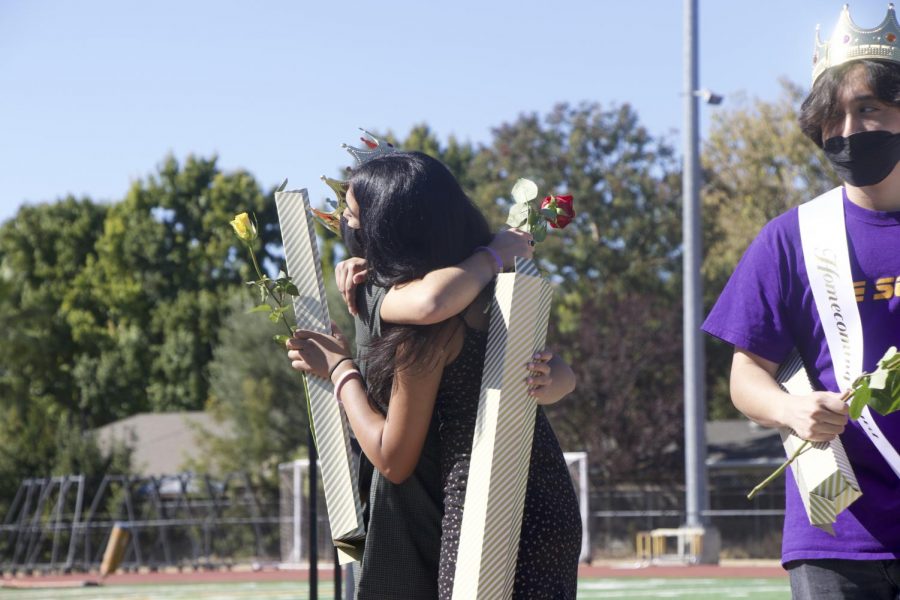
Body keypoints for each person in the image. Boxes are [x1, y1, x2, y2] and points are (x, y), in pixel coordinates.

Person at [288, 151, 581, 599]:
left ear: (389, 228)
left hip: (485, 501)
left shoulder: (422, 327)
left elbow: (393, 458)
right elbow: (557, 370)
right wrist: (555, 378)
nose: (347, 228)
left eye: (353, 216)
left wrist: (340, 371)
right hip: (544, 493)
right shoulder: (489, 287)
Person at [702, 5, 900, 599]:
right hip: (836, 535)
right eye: (832, 116)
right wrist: (793, 411)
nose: (847, 130)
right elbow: (746, 378)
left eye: (868, 108)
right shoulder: (791, 238)